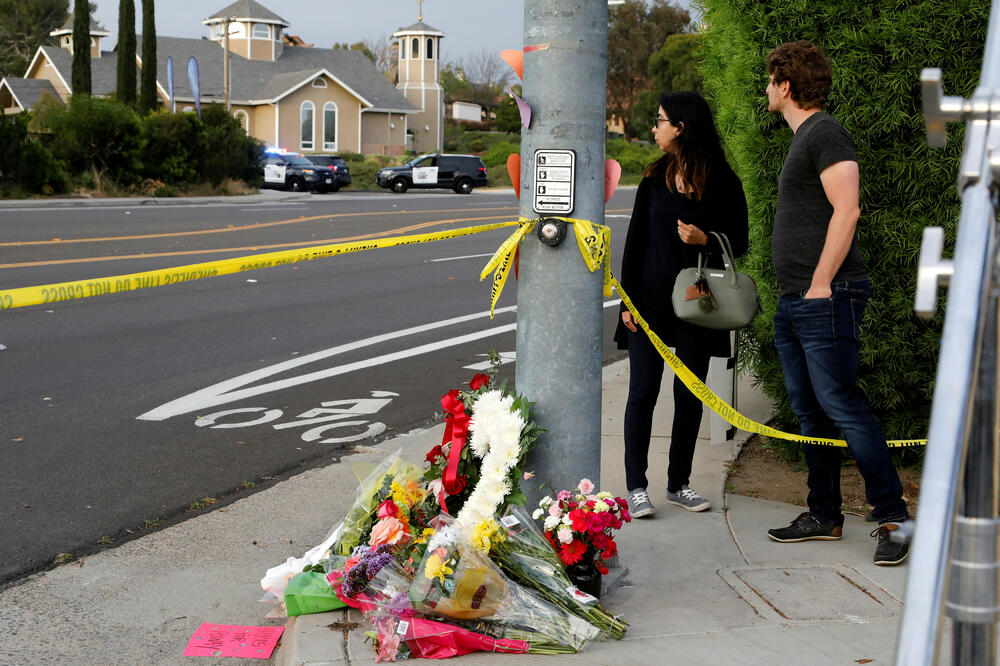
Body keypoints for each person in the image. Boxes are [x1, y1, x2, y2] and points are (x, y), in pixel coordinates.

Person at [763, 41, 909, 565]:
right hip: (795, 300)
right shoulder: (805, 137)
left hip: (823, 296)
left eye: (770, 80)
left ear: (785, 84)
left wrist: (822, 282)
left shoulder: (825, 132)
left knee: (842, 404)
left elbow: (848, 210)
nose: (766, 89)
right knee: (810, 411)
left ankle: (895, 518)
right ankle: (823, 514)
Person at [614, 91, 749, 519]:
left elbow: (740, 242)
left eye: (660, 121)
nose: (654, 129)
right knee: (643, 393)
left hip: (697, 303)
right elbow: (634, 245)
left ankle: (679, 484)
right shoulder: (653, 178)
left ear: (682, 127)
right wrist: (626, 304)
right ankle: (637, 486)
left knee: (689, 394)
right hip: (649, 302)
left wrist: (705, 239)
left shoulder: (722, 179)